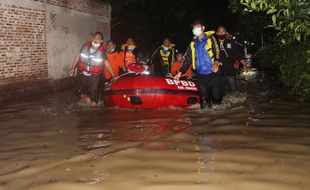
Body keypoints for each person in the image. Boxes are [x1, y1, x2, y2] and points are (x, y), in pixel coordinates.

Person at [174, 20, 220, 109]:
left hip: (212, 71)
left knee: (216, 97)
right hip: (200, 74)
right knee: (203, 97)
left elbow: (217, 51)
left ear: (203, 28)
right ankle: (205, 115)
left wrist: (216, 63)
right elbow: (188, 59)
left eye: (197, 27)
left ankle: (216, 109)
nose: (195, 29)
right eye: (193, 28)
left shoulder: (211, 38)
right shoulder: (193, 43)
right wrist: (180, 72)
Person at [68, 32, 115, 106]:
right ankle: (86, 100)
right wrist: (72, 68)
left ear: (101, 41)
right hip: (82, 73)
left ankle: (92, 106)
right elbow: (78, 56)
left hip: (94, 76)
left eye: (98, 39)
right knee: (79, 92)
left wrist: (113, 76)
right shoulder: (85, 45)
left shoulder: (102, 51)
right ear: (92, 39)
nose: (96, 40)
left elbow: (107, 64)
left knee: (94, 102)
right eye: (95, 38)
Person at [215, 25, 247, 93]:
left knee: (234, 90)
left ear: (226, 33)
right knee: (221, 91)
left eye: (223, 31)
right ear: (217, 33)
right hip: (219, 71)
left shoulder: (230, 42)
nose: (221, 33)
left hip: (230, 69)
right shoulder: (214, 43)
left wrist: (244, 64)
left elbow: (237, 54)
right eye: (219, 32)